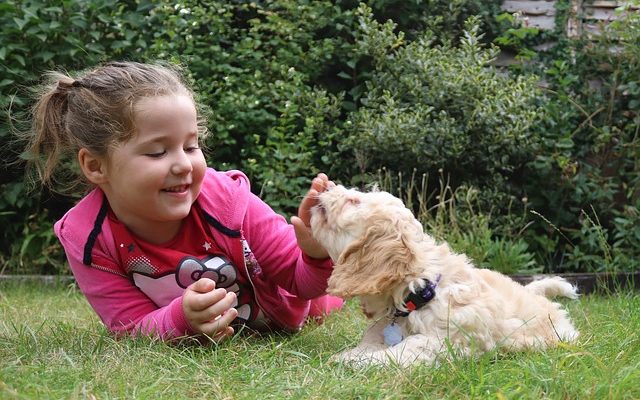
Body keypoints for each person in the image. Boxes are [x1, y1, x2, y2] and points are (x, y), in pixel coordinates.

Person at [24, 61, 343, 342]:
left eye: (191, 147)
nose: (183, 165)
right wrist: (182, 320)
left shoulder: (228, 201)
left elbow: (300, 281)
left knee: (328, 300)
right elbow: (130, 326)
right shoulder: (89, 239)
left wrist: (316, 254)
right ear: (95, 166)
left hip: (293, 304)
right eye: (157, 152)